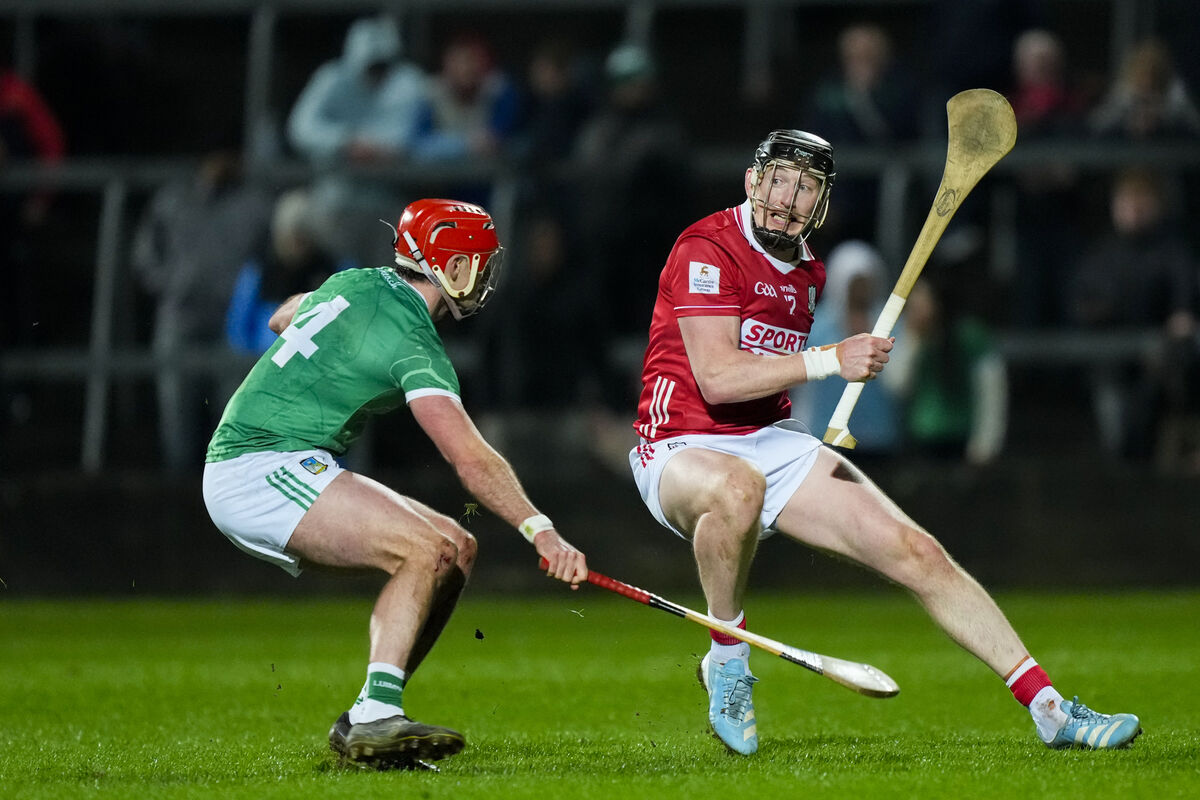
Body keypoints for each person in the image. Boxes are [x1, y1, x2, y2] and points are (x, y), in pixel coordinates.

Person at [628, 130, 1141, 756]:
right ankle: (728, 660)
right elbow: (717, 378)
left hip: (767, 442)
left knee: (917, 551)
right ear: (753, 181)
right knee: (737, 490)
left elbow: (773, 388)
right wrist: (829, 360)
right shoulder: (706, 247)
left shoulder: (811, 271)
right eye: (781, 180)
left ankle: (1051, 709)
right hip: (678, 443)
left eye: (807, 186)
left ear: (821, 201)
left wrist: (848, 361)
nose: (789, 198)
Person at [202, 198, 588, 771]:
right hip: (256, 466)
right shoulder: (413, 341)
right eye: (478, 263)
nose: (485, 276)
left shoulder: (355, 280)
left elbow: (283, 316)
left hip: (290, 459)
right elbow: (470, 459)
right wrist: (542, 531)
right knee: (423, 550)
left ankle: (366, 713)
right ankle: (377, 715)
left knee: (456, 549)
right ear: (451, 267)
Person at [131, 148, 273, 472]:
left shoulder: (256, 204)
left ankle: (227, 488)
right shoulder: (172, 199)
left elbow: (271, 260)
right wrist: (174, 286)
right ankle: (178, 491)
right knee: (177, 406)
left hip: (235, 321)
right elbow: (145, 257)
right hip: (180, 317)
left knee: (233, 410)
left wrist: (249, 298)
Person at [1068, 167, 1198, 461]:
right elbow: (1082, 300)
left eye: (1142, 203)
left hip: (1158, 358)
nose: (1134, 211)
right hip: (1111, 358)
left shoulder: (1171, 250)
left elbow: (1184, 296)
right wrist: (1095, 311)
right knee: (1114, 420)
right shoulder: (1102, 253)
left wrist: (1181, 315)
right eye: (1128, 203)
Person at [286, 15, 428, 267]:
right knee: (291, 216)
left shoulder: (408, 82)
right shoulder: (332, 78)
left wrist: (379, 150)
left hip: (388, 199)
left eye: (382, 64)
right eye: (370, 64)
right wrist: (345, 142)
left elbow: (411, 138)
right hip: (333, 196)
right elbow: (300, 127)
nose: (376, 71)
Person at [225, 187, 353, 355]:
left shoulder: (335, 271)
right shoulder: (260, 271)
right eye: (290, 236)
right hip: (259, 362)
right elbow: (238, 328)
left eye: (302, 238)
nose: (295, 245)